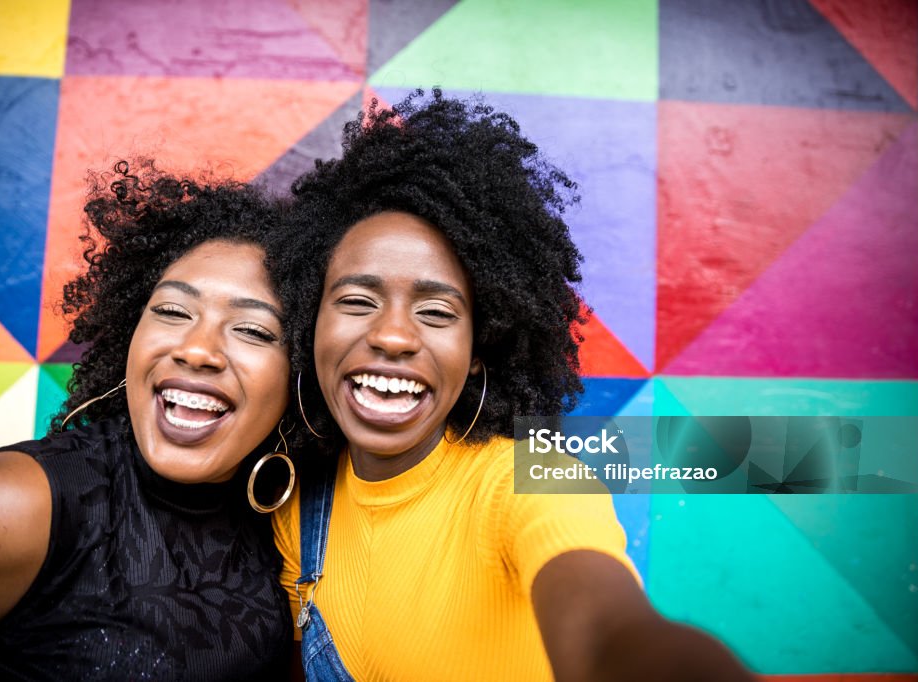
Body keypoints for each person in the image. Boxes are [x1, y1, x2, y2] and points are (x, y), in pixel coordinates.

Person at [271, 90, 754, 681]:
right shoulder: (298, 509)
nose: (393, 335)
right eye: (355, 300)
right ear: (307, 322)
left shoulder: (532, 480)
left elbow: (610, 631)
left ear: (479, 352)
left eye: (438, 312)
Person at [0, 162, 296, 681]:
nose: (197, 349)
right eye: (173, 312)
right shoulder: (17, 502)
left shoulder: (291, 518)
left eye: (251, 330)